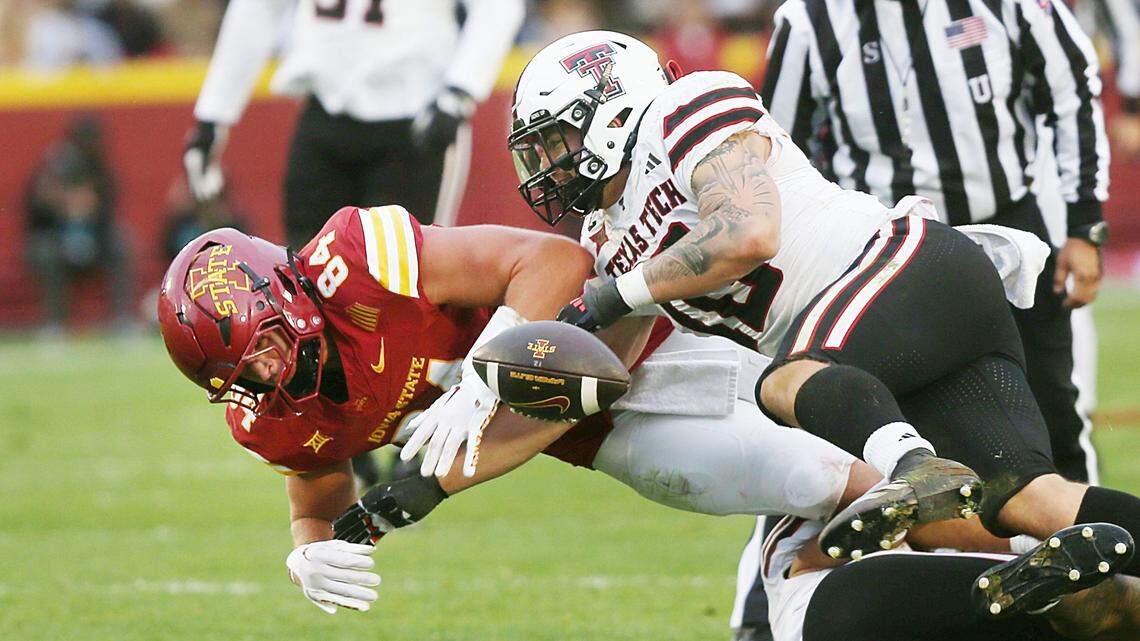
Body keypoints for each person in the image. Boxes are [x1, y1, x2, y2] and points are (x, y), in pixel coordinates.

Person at [506, 29, 1140, 578]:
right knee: (1030, 503)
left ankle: (915, 470)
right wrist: (496, 386)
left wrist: (615, 294)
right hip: (887, 340)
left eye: (555, 142)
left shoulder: (684, 107)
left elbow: (748, 234)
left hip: (907, 269)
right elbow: (605, 369)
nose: (548, 166)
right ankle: (928, 474)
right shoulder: (603, 237)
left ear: (611, 110)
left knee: (783, 383)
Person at [157, 203, 891, 614]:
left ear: (281, 293)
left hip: (620, 340)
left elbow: (554, 262)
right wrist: (307, 550)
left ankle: (989, 515)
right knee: (816, 481)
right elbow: (318, 491)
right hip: (576, 429)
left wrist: (486, 371)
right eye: (238, 377)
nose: (264, 377)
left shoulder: (358, 260)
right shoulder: (271, 415)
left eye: (260, 349)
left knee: (852, 462)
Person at [738, 0, 1116, 632]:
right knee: (820, 428)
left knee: (1046, 427)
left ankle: (1099, 575)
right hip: (876, 261)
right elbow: (772, 146)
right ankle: (760, 602)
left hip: (1001, 239)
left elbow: (1070, 91)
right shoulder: (808, 20)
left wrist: (1084, 223)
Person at [183, 0, 525, 244]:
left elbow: (499, 7)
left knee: (405, 282)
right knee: (304, 277)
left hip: (417, 118)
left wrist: (459, 90)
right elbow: (256, 11)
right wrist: (214, 115)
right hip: (325, 111)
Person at [25, 115, 135, 334]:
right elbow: (33, 213)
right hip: (57, 238)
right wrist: (59, 205)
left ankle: (122, 319)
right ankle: (54, 324)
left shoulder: (99, 168)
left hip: (96, 238)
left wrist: (92, 207)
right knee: (44, 251)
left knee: (120, 242)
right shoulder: (52, 164)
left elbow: (109, 208)